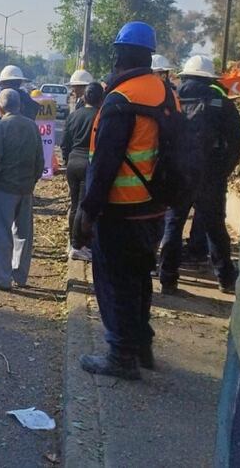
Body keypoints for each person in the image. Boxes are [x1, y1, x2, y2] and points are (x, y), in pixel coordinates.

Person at [76, 21, 168, 380]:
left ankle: (121, 356)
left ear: (122, 55)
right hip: (154, 208)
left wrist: (88, 210)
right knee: (140, 279)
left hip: (120, 210)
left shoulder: (123, 98)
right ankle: (142, 346)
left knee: (115, 283)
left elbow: (106, 163)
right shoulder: (164, 93)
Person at [157, 54, 240, 295]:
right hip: (210, 175)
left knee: (173, 225)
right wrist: (223, 170)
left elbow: (160, 136)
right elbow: (238, 141)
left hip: (180, 173)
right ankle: (226, 279)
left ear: (186, 75)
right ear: (209, 78)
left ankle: (168, 279)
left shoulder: (172, 98)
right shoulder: (221, 102)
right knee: (215, 227)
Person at [0, 89, 45, 291]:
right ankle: (19, 275)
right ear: (19, 106)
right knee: (23, 234)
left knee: (0, 232)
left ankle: (1, 277)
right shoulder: (32, 127)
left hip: (3, 188)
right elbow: (39, 160)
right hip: (25, 188)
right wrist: (32, 181)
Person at [61, 82, 103, 262]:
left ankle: (73, 243)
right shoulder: (101, 117)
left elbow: (64, 142)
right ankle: (79, 246)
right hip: (89, 163)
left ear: (84, 97)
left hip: (73, 162)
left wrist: (66, 159)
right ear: (101, 99)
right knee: (82, 206)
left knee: (74, 204)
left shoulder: (74, 116)